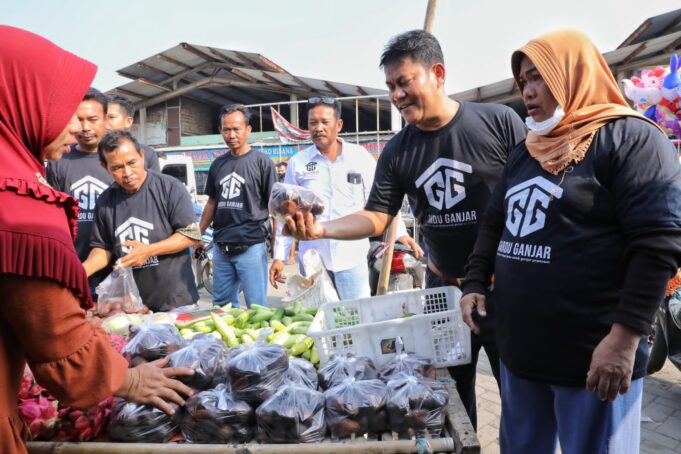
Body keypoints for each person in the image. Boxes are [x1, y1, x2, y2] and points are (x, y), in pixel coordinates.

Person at [282, 30, 526, 429]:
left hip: (506, 287)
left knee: (519, 401)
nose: (395, 95)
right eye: (391, 86)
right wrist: (321, 230)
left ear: (439, 73)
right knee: (451, 402)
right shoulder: (398, 150)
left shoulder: (497, 122)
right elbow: (377, 216)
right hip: (444, 291)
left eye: (404, 82)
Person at [459, 30, 681, 453]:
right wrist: (473, 282)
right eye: (523, 81)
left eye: (539, 77)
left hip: (594, 360)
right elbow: (493, 222)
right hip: (521, 353)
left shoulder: (632, 139)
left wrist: (624, 338)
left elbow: (659, 244)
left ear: (574, 74)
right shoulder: (529, 149)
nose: (528, 90)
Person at [0, 26, 194, 454]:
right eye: (65, 112)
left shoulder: (169, 188)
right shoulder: (15, 204)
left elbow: (191, 235)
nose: (77, 130)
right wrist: (128, 378)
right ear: (23, 102)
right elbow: (59, 344)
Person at [269, 96, 422, 299]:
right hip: (313, 259)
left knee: (356, 317)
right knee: (319, 317)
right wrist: (279, 256)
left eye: (325, 122)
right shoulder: (298, 163)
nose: (318, 128)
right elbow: (286, 214)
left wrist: (399, 233)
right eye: (313, 123)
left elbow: (383, 201)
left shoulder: (359, 157)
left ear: (339, 125)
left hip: (351, 256)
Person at [46, 88, 160, 298]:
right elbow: (54, 217)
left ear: (106, 119)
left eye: (92, 119)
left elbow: (151, 208)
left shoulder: (136, 157)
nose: (85, 127)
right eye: (79, 120)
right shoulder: (58, 160)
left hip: (128, 269)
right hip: (80, 267)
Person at [82, 130, 200, 312]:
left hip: (176, 302)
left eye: (132, 163)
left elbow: (190, 234)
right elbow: (102, 249)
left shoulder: (169, 188)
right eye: (117, 167)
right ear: (105, 167)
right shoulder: (105, 201)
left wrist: (148, 251)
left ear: (142, 156)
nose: (127, 173)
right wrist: (78, 274)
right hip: (132, 307)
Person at [199, 105, 276, 307]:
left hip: (251, 245)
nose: (231, 134)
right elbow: (212, 203)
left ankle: (260, 340)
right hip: (221, 246)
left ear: (248, 130)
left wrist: (279, 251)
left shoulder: (262, 163)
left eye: (236, 129)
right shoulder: (218, 164)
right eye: (226, 129)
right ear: (220, 131)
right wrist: (197, 234)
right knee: (221, 306)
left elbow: (275, 209)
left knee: (256, 306)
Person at [106, 93, 160, 172]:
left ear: (128, 121)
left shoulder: (148, 154)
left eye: (111, 117)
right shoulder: (85, 153)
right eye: (101, 117)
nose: (104, 122)